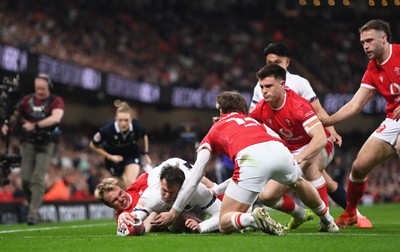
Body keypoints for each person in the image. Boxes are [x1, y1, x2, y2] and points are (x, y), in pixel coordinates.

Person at [153, 91, 339, 234]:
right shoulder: (253, 121)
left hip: (251, 160)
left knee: (225, 220)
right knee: (298, 182)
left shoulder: (215, 128)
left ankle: (252, 219)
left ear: (221, 111)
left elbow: (195, 177)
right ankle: (328, 220)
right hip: (279, 149)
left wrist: (174, 212)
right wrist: (217, 190)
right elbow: (270, 141)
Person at [250, 42, 371, 228]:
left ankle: (328, 221)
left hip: (314, 140)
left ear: (287, 62)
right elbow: (252, 117)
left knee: (311, 169)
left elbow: (318, 112)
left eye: (277, 61)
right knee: (272, 194)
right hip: (289, 146)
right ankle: (312, 213)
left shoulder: (298, 84)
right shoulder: (263, 88)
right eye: (269, 61)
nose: (272, 65)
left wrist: (331, 129)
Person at [321, 19, 400, 228]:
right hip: (393, 120)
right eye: (363, 42)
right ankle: (350, 213)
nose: (365, 46)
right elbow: (355, 104)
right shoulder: (373, 68)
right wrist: (327, 120)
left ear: (384, 39)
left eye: (369, 41)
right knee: (358, 167)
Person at [94, 158, 221, 234]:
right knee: (174, 221)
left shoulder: (197, 190)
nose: (166, 196)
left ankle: (219, 191)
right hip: (171, 213)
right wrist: (127, 218)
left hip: (177, 170)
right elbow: (140, 223)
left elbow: (222, 214)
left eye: (120, 193)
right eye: (115, 200)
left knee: (208, 187)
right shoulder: (151, 195)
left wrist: (203, 226)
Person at [1, 73, 64, 225]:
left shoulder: (56, 100)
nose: (40, 91)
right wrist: (7, 124)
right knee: (25, 180)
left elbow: (56, 117)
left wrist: (35, 125)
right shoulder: (27, 100)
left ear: (49, 87)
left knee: (37, 178)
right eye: (38, 88)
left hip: (45, 143)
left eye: (43, 88)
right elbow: (15, 114)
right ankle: (32, 207)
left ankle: (33, 214)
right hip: (28, 142)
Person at [89, 101, 151, 189]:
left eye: (126, 120)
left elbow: (144, 136)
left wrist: (145, 153)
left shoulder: (137, 126)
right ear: (116, 119)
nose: (123, 123)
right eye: (120, 120)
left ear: (131, 119)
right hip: (113, 156)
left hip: (131, 153)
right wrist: (110, 156)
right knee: (121, 185)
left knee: (130, 182)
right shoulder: (107, 129)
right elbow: (92, 145)